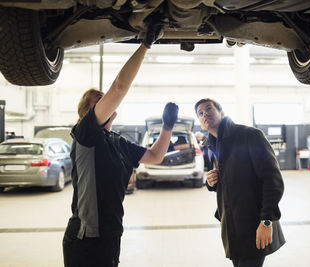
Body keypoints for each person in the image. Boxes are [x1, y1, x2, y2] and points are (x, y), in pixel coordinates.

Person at [62, 23, 179, 267]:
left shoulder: (117, 141)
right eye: (100, 102)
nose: (108, 103)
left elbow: (155, 156)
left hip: (112, 231)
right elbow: (119, 88)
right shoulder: (85, 134)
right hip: (85, 238)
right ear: (87, 112)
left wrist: (167, 127)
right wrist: (146, 44)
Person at [194, 98, 285, 267]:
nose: (205, 114)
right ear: (200, 122)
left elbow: (273, 180)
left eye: (209, 109)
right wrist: (211, 182)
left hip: (255, 224)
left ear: (221, 112)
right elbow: (231, 179)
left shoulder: (249, 136)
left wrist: (266, 221)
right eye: (200, 113)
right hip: (232, 226)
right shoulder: (212, 145)